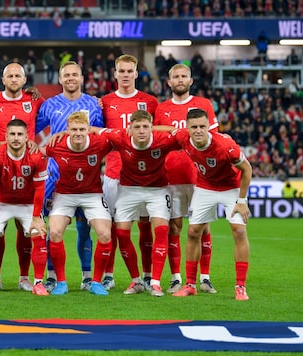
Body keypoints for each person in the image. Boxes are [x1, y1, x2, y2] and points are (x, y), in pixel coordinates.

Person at [163, 108, 253, 301]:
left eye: (202, 126)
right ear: (187, 127)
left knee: (239, 231)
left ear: (209, 127)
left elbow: (247, 169)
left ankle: (240, 287)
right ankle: (190, 285)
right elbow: (167, 129)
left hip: (231, 188)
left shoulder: (225, 145)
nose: (198, 130)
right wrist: (136, 128)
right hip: (205, 187)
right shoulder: (183, 138)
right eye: (193, 126)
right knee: (193, 231)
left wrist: (242, 201)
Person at [92, 110, 180, 296]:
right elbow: (92, 130)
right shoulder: (120, 137)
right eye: (137, 127)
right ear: (130, 128)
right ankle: (136, 281)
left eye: (145, 127)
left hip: (157, 189)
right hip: (129, 189)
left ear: (152, 128)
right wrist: (62, 133)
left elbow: (181, 132)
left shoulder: (162, 140)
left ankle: (155, 282)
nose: (141, 131)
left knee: (162, 229)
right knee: (122, 233)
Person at [36, 60, 104, 292]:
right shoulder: (49, 105)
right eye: (67, 75)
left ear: (82, 78)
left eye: (75, 74)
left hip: (86, 178)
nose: (71, 78)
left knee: (85, 227)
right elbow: (30, 128)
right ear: (60, 78)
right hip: (55, 177)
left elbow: (101, 136)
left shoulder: (94, 105)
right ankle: (52, 276)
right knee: (49, 228)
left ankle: (87, 277)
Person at [0, 62, 45, 293]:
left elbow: (46, 120)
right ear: (3, 80)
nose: (14, 79)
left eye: (18, 76)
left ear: (25, 80)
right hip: (0, 166)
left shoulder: (34, 99)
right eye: (10, 76)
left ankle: (25, 278)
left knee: (27, 233)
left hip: (26, 166)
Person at [154, 63, 219, 294]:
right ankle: (175, 278)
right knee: (175, 227)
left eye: (184, 76)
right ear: (169, 82)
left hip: (200, 176)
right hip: (170, 176)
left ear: (191, 81)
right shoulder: (161, 109)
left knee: (203, 227)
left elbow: (214, 139)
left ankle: (205, 277)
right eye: (175, 77)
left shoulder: (203, 105)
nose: (180, 80)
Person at [100, 54, 159, 290]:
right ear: (115, 74)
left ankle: (146, 274)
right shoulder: (103, 102)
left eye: (129, 71)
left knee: (145, 226)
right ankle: (108, 275)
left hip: (144, 176)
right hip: (114, 174)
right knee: (113, 227)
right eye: (121, 71)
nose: (125, 75)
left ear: (136, 73)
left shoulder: (150, 102)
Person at [40, 111, 113, 296]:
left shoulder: (100, 144)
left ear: (89, 130)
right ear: (67, 131)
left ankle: (96, 282)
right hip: (65, 195)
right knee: (54, 232)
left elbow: (120, 137)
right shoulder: (57, 145)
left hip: (93, 194)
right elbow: (37, 153)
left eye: (82, 129)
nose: (78, 133)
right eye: (74, 130)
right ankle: (61, 282)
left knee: (105, 234)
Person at [0, 119, 49, 296]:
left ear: (27, 137)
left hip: (27, 203)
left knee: (38, 233)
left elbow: (40, 188)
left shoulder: (36, 157)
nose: (16, 138)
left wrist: (35, 217)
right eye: (12, 134)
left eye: (20, 134)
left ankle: (37, 283)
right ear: (6, 136)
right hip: (2, 203)